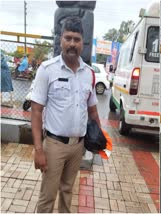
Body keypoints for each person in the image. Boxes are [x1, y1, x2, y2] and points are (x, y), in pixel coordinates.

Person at [31, 16, 101, 213]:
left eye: (76, 39)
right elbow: (36, 111)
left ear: (83, 42)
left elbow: (93, 109)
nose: (72, 43)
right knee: (47, 197)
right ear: (60, 39)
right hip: (54, 146)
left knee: (68, 192)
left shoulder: (89, 73)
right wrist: (38, 149)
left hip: (78, 147)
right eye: (68, 38)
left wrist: (100, 137)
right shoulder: (47, 70)